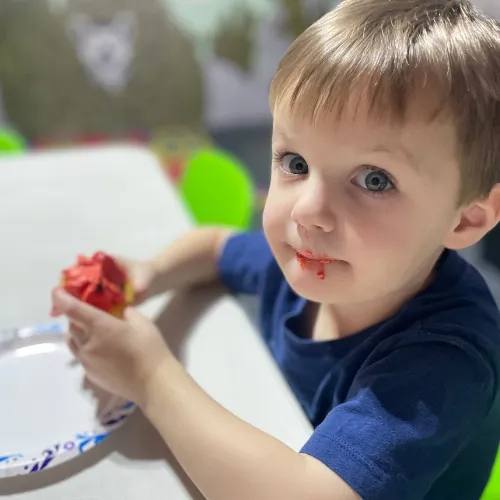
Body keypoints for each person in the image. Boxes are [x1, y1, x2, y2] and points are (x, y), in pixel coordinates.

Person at [51, 0, 500, 498]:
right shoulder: (313, 259)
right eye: (295, 162)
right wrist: (148, 274)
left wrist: (150, 376)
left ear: (466, 218)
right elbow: (216, 247)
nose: (306, 211)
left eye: (374, 179)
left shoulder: (444, 364)